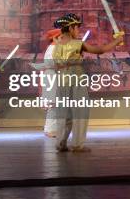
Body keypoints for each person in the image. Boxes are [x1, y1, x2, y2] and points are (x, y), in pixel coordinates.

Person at [53, 13, 124, 152]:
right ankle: (77, 145)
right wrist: (116, 41)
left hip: (62, 80)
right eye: (77, 28)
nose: (78, 31)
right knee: (80, 112)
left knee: (64, 113)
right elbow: (100, 50)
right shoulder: (77, 44)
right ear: (72, 28)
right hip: (76, 79)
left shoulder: (57, 44)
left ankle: (60, 142)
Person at [42, 28, 61, 138]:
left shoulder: (54, 48)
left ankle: (52, 128)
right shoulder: (53, 48)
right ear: (55, 38)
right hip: (51, 76)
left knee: (55, 104)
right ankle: (49, 129)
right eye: (61, 37)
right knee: (53, 104)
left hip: (53, 75)